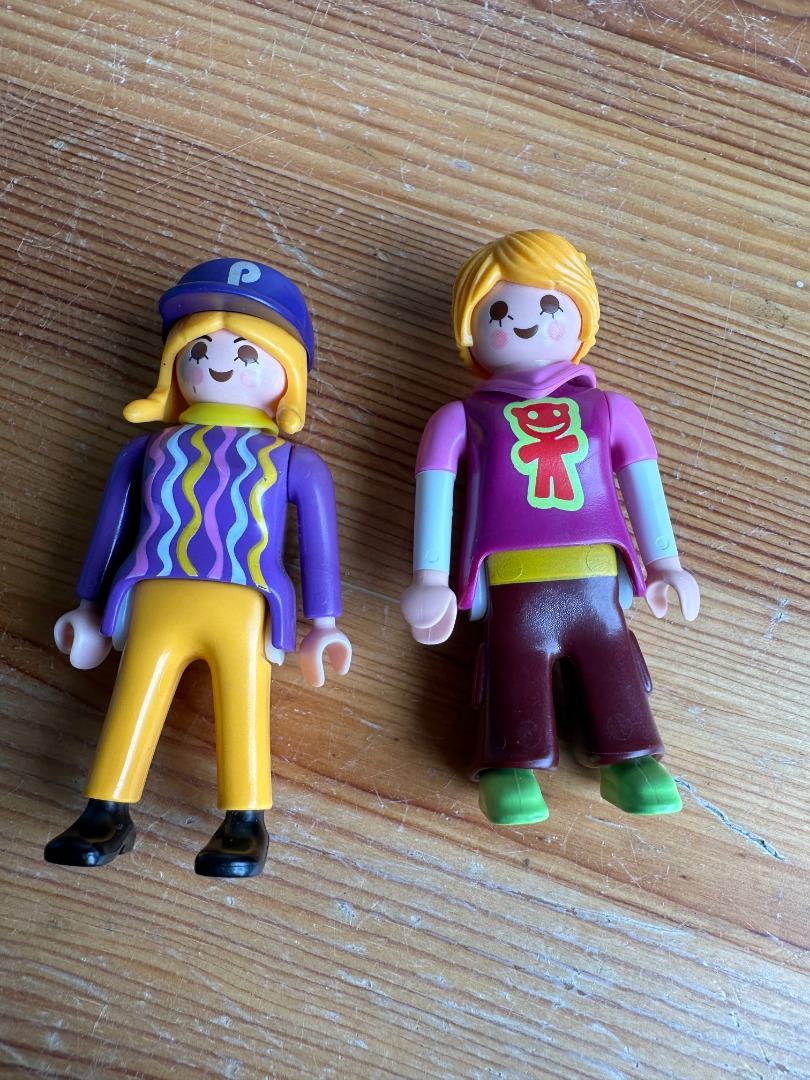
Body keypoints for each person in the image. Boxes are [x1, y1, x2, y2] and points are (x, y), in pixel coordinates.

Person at [46, 259, 351, 876]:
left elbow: (321, 547)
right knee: (134, 694)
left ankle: (245, 821)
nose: (219, 364)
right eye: (200, 350)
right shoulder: (147, 449)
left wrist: (325, 623)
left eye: (246, 353)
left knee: (244, 701)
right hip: (153, 589)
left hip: (246, 598)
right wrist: (87, 606)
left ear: (287, 375)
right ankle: (105, 810)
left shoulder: (294, 461)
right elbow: (109, 530)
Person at [401, 231, 699, 826]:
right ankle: (510, 768)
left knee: (612, 659)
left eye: (549, 305)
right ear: (471, 331)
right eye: (499, 313)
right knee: (513, 665)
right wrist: (430, 577)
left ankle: (630, 758)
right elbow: (433, 490)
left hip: (596, 573)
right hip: (511, 579)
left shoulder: (612, 409)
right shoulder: (460, 418)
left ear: (582, 318)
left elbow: (643, 485)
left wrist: (665, 562)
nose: (525, 322)